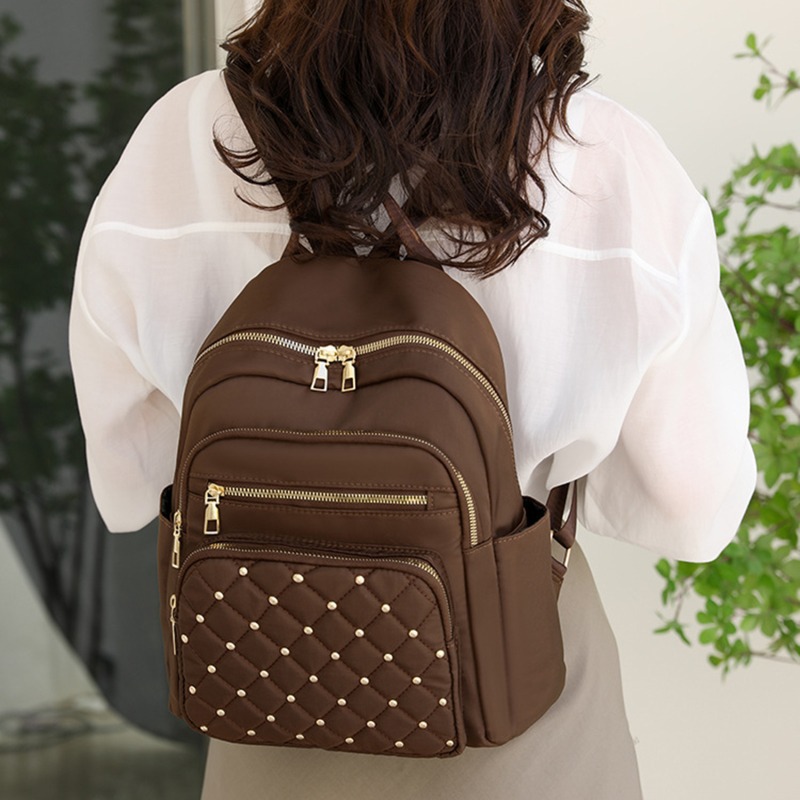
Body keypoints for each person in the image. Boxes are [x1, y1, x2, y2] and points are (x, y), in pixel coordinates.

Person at [69, 2, 756, 798]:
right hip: (516, 703)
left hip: (264, 683)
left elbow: (130, 481)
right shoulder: (606, 154)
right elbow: (692, 512)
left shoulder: (183, 136)